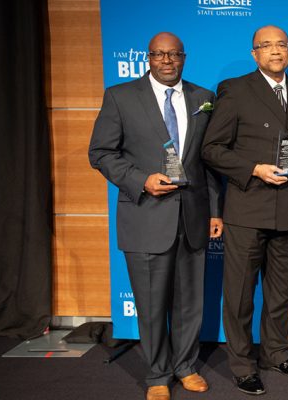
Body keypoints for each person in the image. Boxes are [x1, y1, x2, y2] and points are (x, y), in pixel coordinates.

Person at [88, 32, 222, 400]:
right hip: (145, 216)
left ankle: (186, 366)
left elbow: (209, 161)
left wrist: (215, 211)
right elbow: (100, 152)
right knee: (150, 305)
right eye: (159, 54)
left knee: (190, 303)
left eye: (174, 54)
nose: (167, 60)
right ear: (148, 58)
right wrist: (140, 180)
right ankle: (158, 375)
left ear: (184, 57)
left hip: (193, 217)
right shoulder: (120, 97)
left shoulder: (204, 98)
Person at [200, 25, 288, 396]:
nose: (275, 51)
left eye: (281, 44)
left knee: (281, 293)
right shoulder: (235, 90)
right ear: (254, 54)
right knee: (239, 295)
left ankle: (276, 354)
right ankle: (242, 365)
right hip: (247, 209)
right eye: (266, 46)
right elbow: (212, 149)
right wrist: (253, 168)